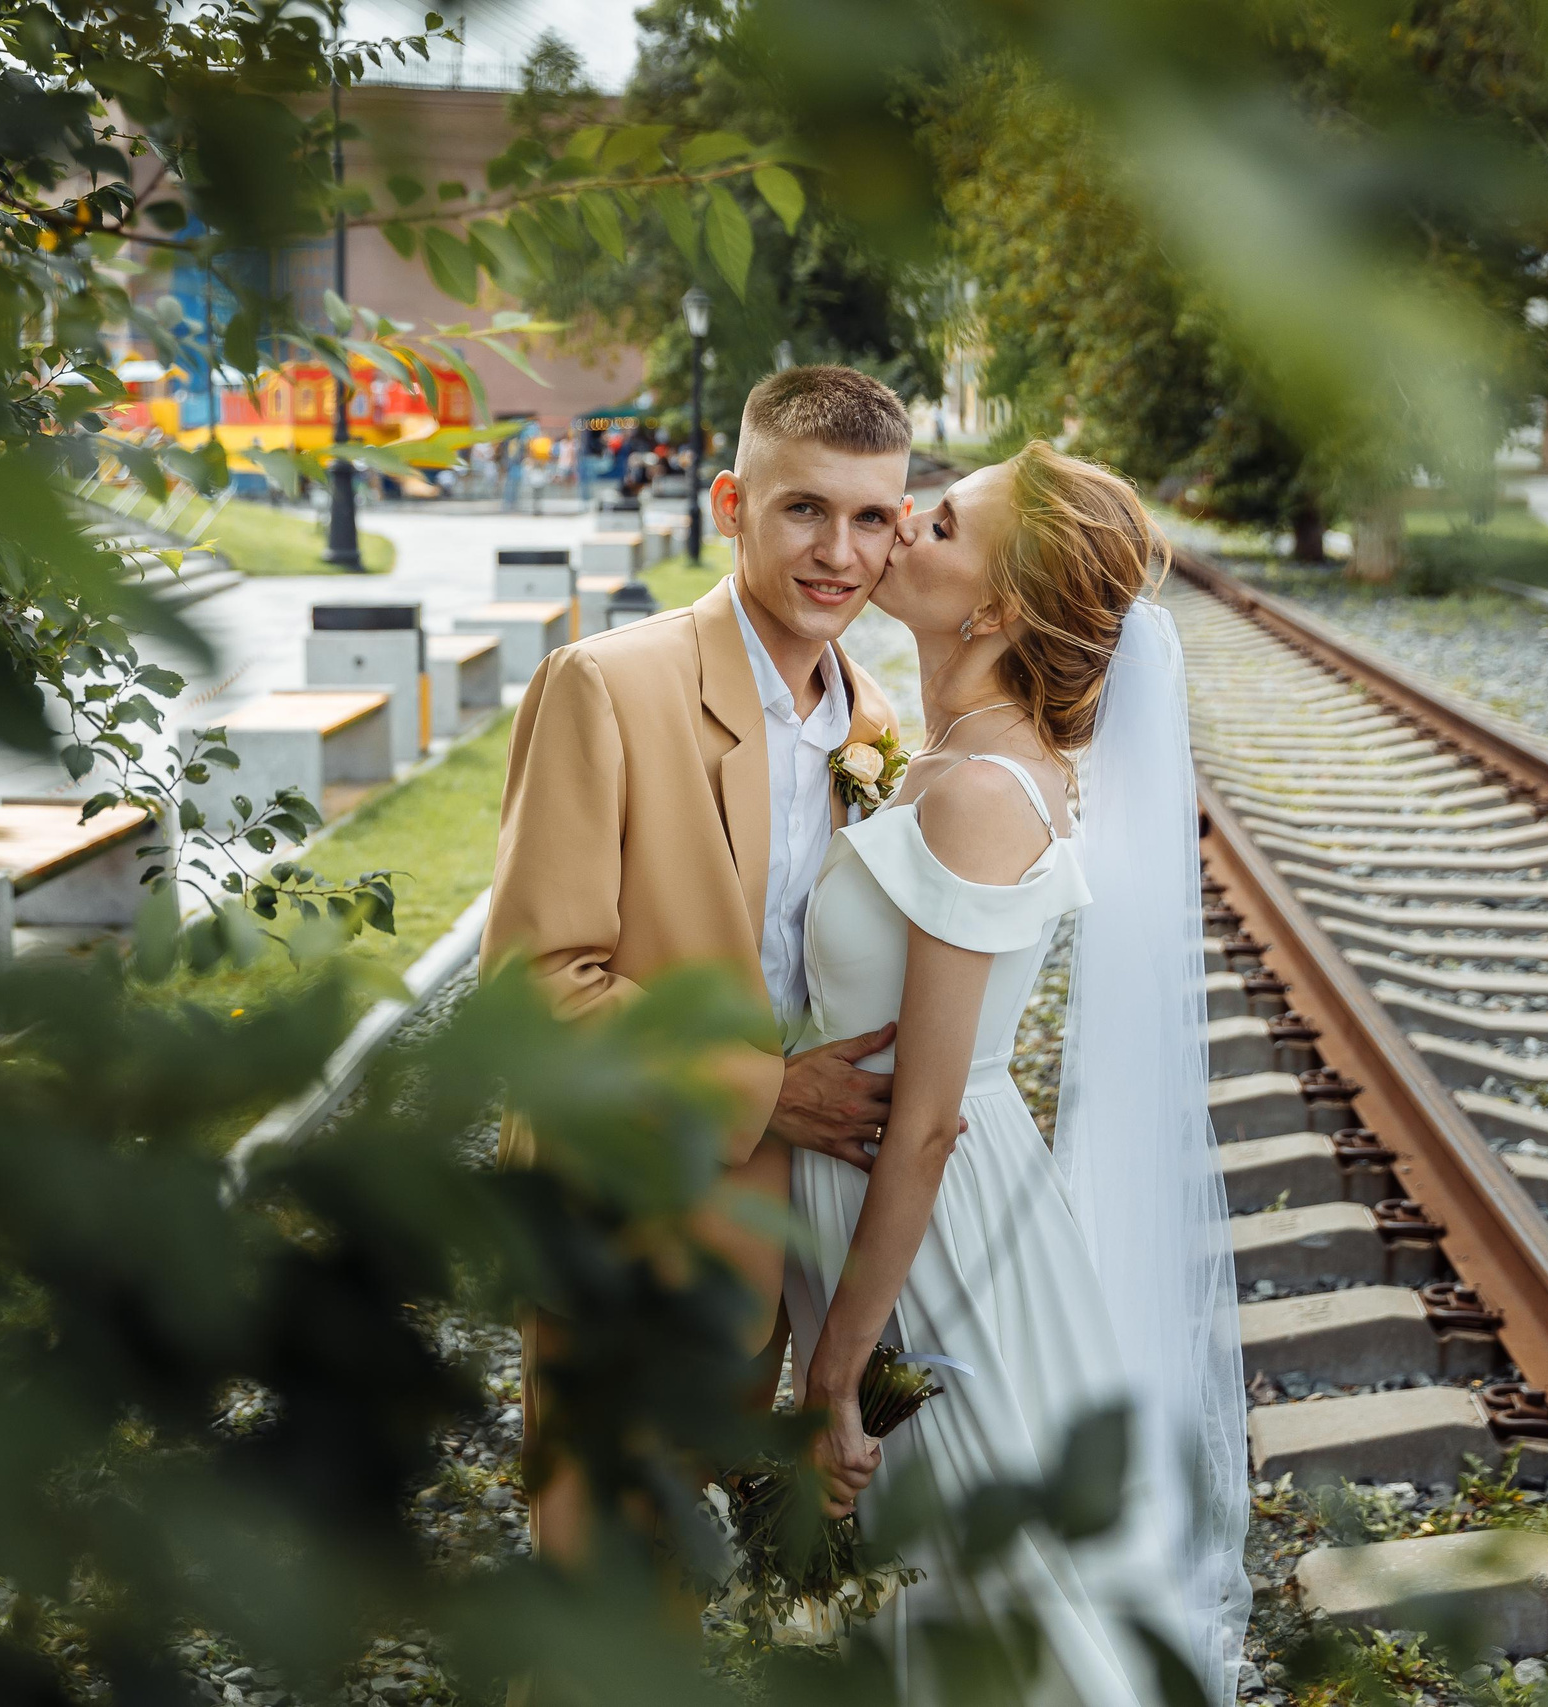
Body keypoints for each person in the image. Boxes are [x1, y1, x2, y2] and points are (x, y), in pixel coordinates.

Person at [787, 442, 1248, 1704]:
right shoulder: (933, 761)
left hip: (938, 1249)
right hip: (899, 1223)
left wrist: (834, 1370)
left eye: (934, 524)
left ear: (992, 607)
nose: (893, 529)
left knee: (991, 1623)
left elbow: (928, 1120)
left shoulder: (981, 794)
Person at [486, 365, 915, 1560]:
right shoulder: (607, 688)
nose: (839, 552)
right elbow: (535, 984)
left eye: (871, 517)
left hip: (785, 1241)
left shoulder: (875, 724)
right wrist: (769, 1090)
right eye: (803, 509)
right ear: (731, 504)